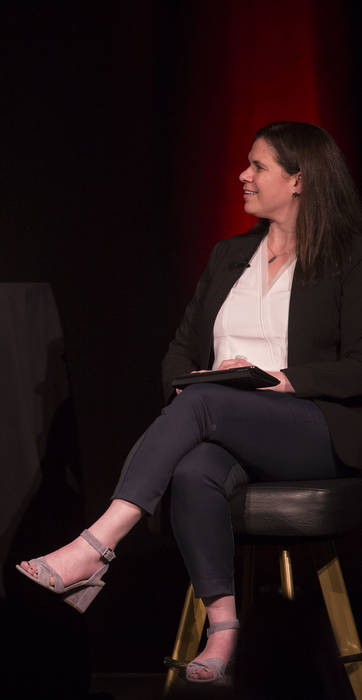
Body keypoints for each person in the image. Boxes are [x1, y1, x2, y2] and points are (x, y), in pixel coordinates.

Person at [18, 121, 362, 683]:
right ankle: (224, 629)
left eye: (258, 167)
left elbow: (358, 368)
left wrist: (278, 378)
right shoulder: (231, 255)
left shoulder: (348, 257)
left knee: (204, 407)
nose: (243, 176)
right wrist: (196, 380)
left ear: (299, 180)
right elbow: (179, 352)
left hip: (315, 428)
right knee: (195, 468)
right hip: (228, 420)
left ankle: (96, 546)